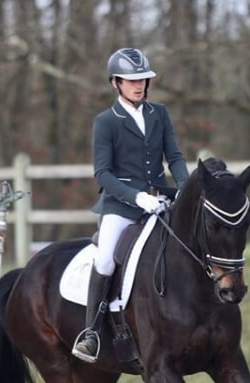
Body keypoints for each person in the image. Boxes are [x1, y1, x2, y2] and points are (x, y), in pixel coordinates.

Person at [72, 47, 190, 363]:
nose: (139, 85)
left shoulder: (159, 114)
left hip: (159, 199)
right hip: (121, 206)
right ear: (116, 83)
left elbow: (174, 157)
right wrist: (136, 197)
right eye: (131, 80)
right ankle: (92, 333)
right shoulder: (105, 121)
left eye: (143, 80)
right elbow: (103, 173)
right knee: (107, 260)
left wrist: (186, 188)